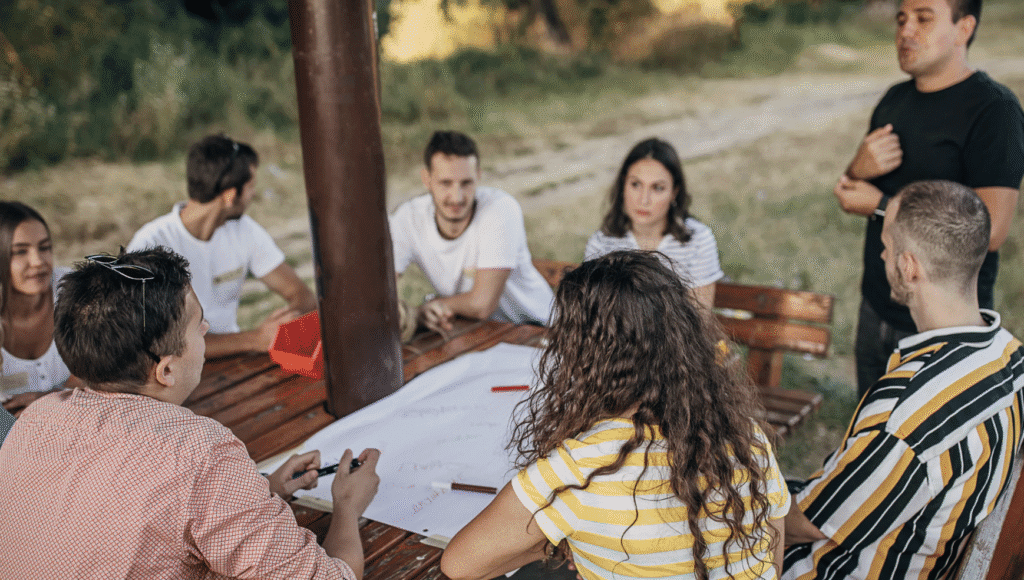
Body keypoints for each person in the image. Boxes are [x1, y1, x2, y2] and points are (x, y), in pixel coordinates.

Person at [0, 247, 380, 579]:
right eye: (199, 325)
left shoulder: (39, 416)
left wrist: (263, 491)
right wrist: (347, 507)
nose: (208, 328)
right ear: (166, 370)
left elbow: (128, 509)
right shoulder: (201, 453)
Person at [442, 251, 790, 580]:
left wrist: (555, 544)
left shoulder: (578, 471)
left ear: (582, 357)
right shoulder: (745, 437)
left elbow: (460, 565)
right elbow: (771, 557)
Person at [782, 181, 1024, 580]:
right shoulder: (1009, 357)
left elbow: (805, 523)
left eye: (887, 246)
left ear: (909, 267)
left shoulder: (905, 413)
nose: (882, 255)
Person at [831, 0, 1024, 397]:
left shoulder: (995, 110)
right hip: (877, 304)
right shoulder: (894, 100)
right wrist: (857, 166)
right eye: (901, 19)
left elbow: (991, 230)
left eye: (923, 18)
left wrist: (883, 206)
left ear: (963, 28)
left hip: (942, 322)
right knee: (872, 435)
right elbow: (853, 191)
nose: (905, 31)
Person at [128, 135, 317, 358]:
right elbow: (151, 340)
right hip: (173, 372)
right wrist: (255, 338)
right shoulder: (150, 245)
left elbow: (303, 297)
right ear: (230, 195)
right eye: (251, 186)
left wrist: (281, 325)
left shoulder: (244, 230)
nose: (253, 194)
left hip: (235, 359)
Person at [390, 130, 554, 335]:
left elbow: (482, 304)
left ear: (478, 176)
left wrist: (432, 306)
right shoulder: (408, 217)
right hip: (474, 332)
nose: (457, 197)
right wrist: (414, 315)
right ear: (427, 179)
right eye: (445, 183)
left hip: (537, 328)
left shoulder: (500, 208)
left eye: (466, 183)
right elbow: (379, 291)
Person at [585, 138, 724, 309]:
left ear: (674, 192)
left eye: (657, 188)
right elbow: (595, 313)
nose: (644, 200)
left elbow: (700, 320)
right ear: (623, 185)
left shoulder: (697, 241)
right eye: (636, 184)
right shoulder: (602, 242)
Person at [0, 201, 71, 412]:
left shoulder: (70, 289)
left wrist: (48, 400)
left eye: (45, 247)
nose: (38, 261)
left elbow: (111, 375)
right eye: (20, 252)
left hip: (77, 425)